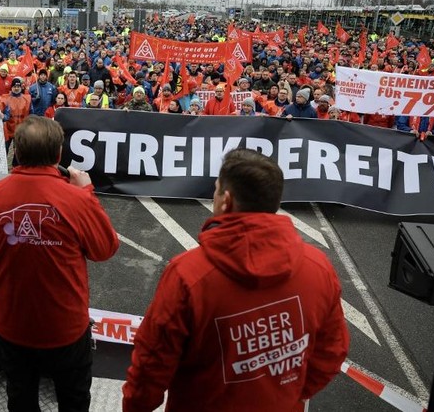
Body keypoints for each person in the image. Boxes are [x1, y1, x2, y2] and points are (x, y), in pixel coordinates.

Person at [122, 148, 349, 412]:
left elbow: (151, 365)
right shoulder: (317, 266)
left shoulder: (188, 275)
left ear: (225, 201)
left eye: (216, 189)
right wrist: (290, 394)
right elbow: (332, 350)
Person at [0, 116, 119, 412]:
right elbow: (105, 249)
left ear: (17, 153)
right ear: (59, 154)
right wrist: (86, 191)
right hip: (67, 330)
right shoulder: (76, 199)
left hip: (11, 328)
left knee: (20, 399)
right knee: (73, 401)